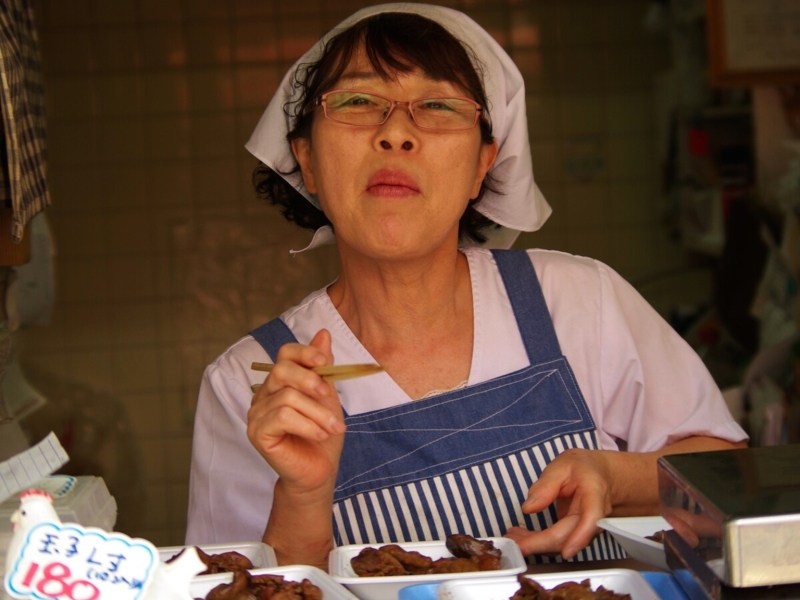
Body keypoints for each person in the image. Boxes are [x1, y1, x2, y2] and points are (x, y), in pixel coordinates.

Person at [186, 3, 747, 569]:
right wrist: (304, 498)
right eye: (358, 102)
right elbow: (229, 585)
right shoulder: (250, 385)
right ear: (304, 157)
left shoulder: (579, 300)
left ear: (485, 163)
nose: (397, 134)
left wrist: (615, 476)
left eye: (437, 105)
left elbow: (727, 472)